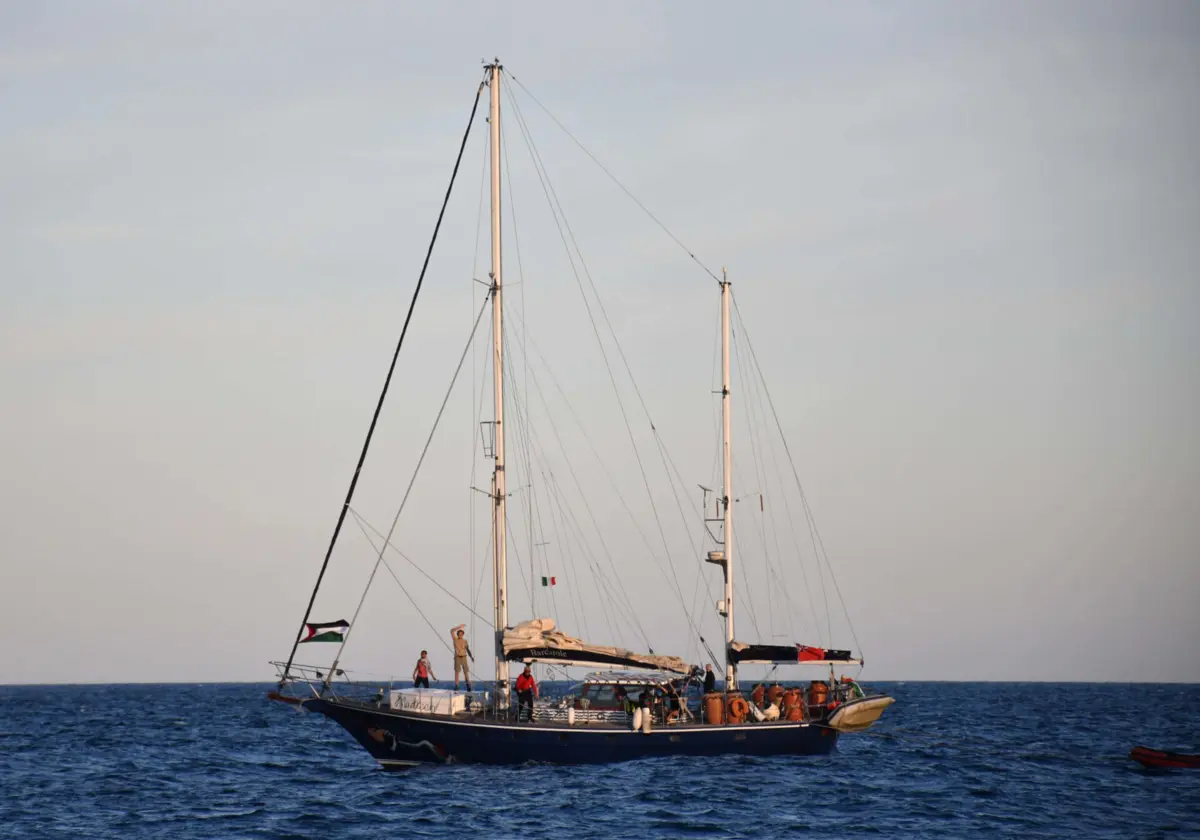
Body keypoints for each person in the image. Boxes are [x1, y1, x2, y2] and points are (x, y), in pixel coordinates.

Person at [449, 624, 474, 691]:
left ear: (463, 634)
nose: (460, 635)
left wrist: (471, 656)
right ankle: (457, 685)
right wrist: (459, 627)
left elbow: (467, 649)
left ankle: (468, 685)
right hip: (457, 657)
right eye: (459, 633)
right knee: (457, 672)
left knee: (466, 672)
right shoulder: (455, 639)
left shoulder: (465, 641)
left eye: (461, 634)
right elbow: (451, 631)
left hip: (464, 657)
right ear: (457, 634)